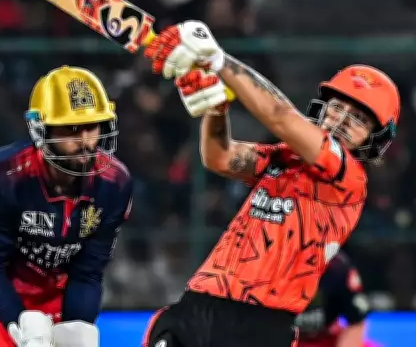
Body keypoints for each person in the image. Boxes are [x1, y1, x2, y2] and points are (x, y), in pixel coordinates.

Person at [140, 21, 400, 347]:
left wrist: (219, 60)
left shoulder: (349, 177)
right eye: (337, 107)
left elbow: (280, 116)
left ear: (375, 138)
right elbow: (220, 158)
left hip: (259, 327)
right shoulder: (285, 157)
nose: (342, 121)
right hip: (198, 303)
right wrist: (216, 109)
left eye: (359, 118)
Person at [0, 66, 133, 347]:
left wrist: (78, 326)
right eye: (72, 129)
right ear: (42, 130)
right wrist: (18, 322)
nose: (86, 142)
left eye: (92, 126)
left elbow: (88, 270)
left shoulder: (115, 183)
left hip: (49, 278)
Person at [295, 251, 372, 347]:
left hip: (326, 338)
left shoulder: (340, 267)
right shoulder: (277, 264)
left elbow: (356, 322)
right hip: (286, 338)